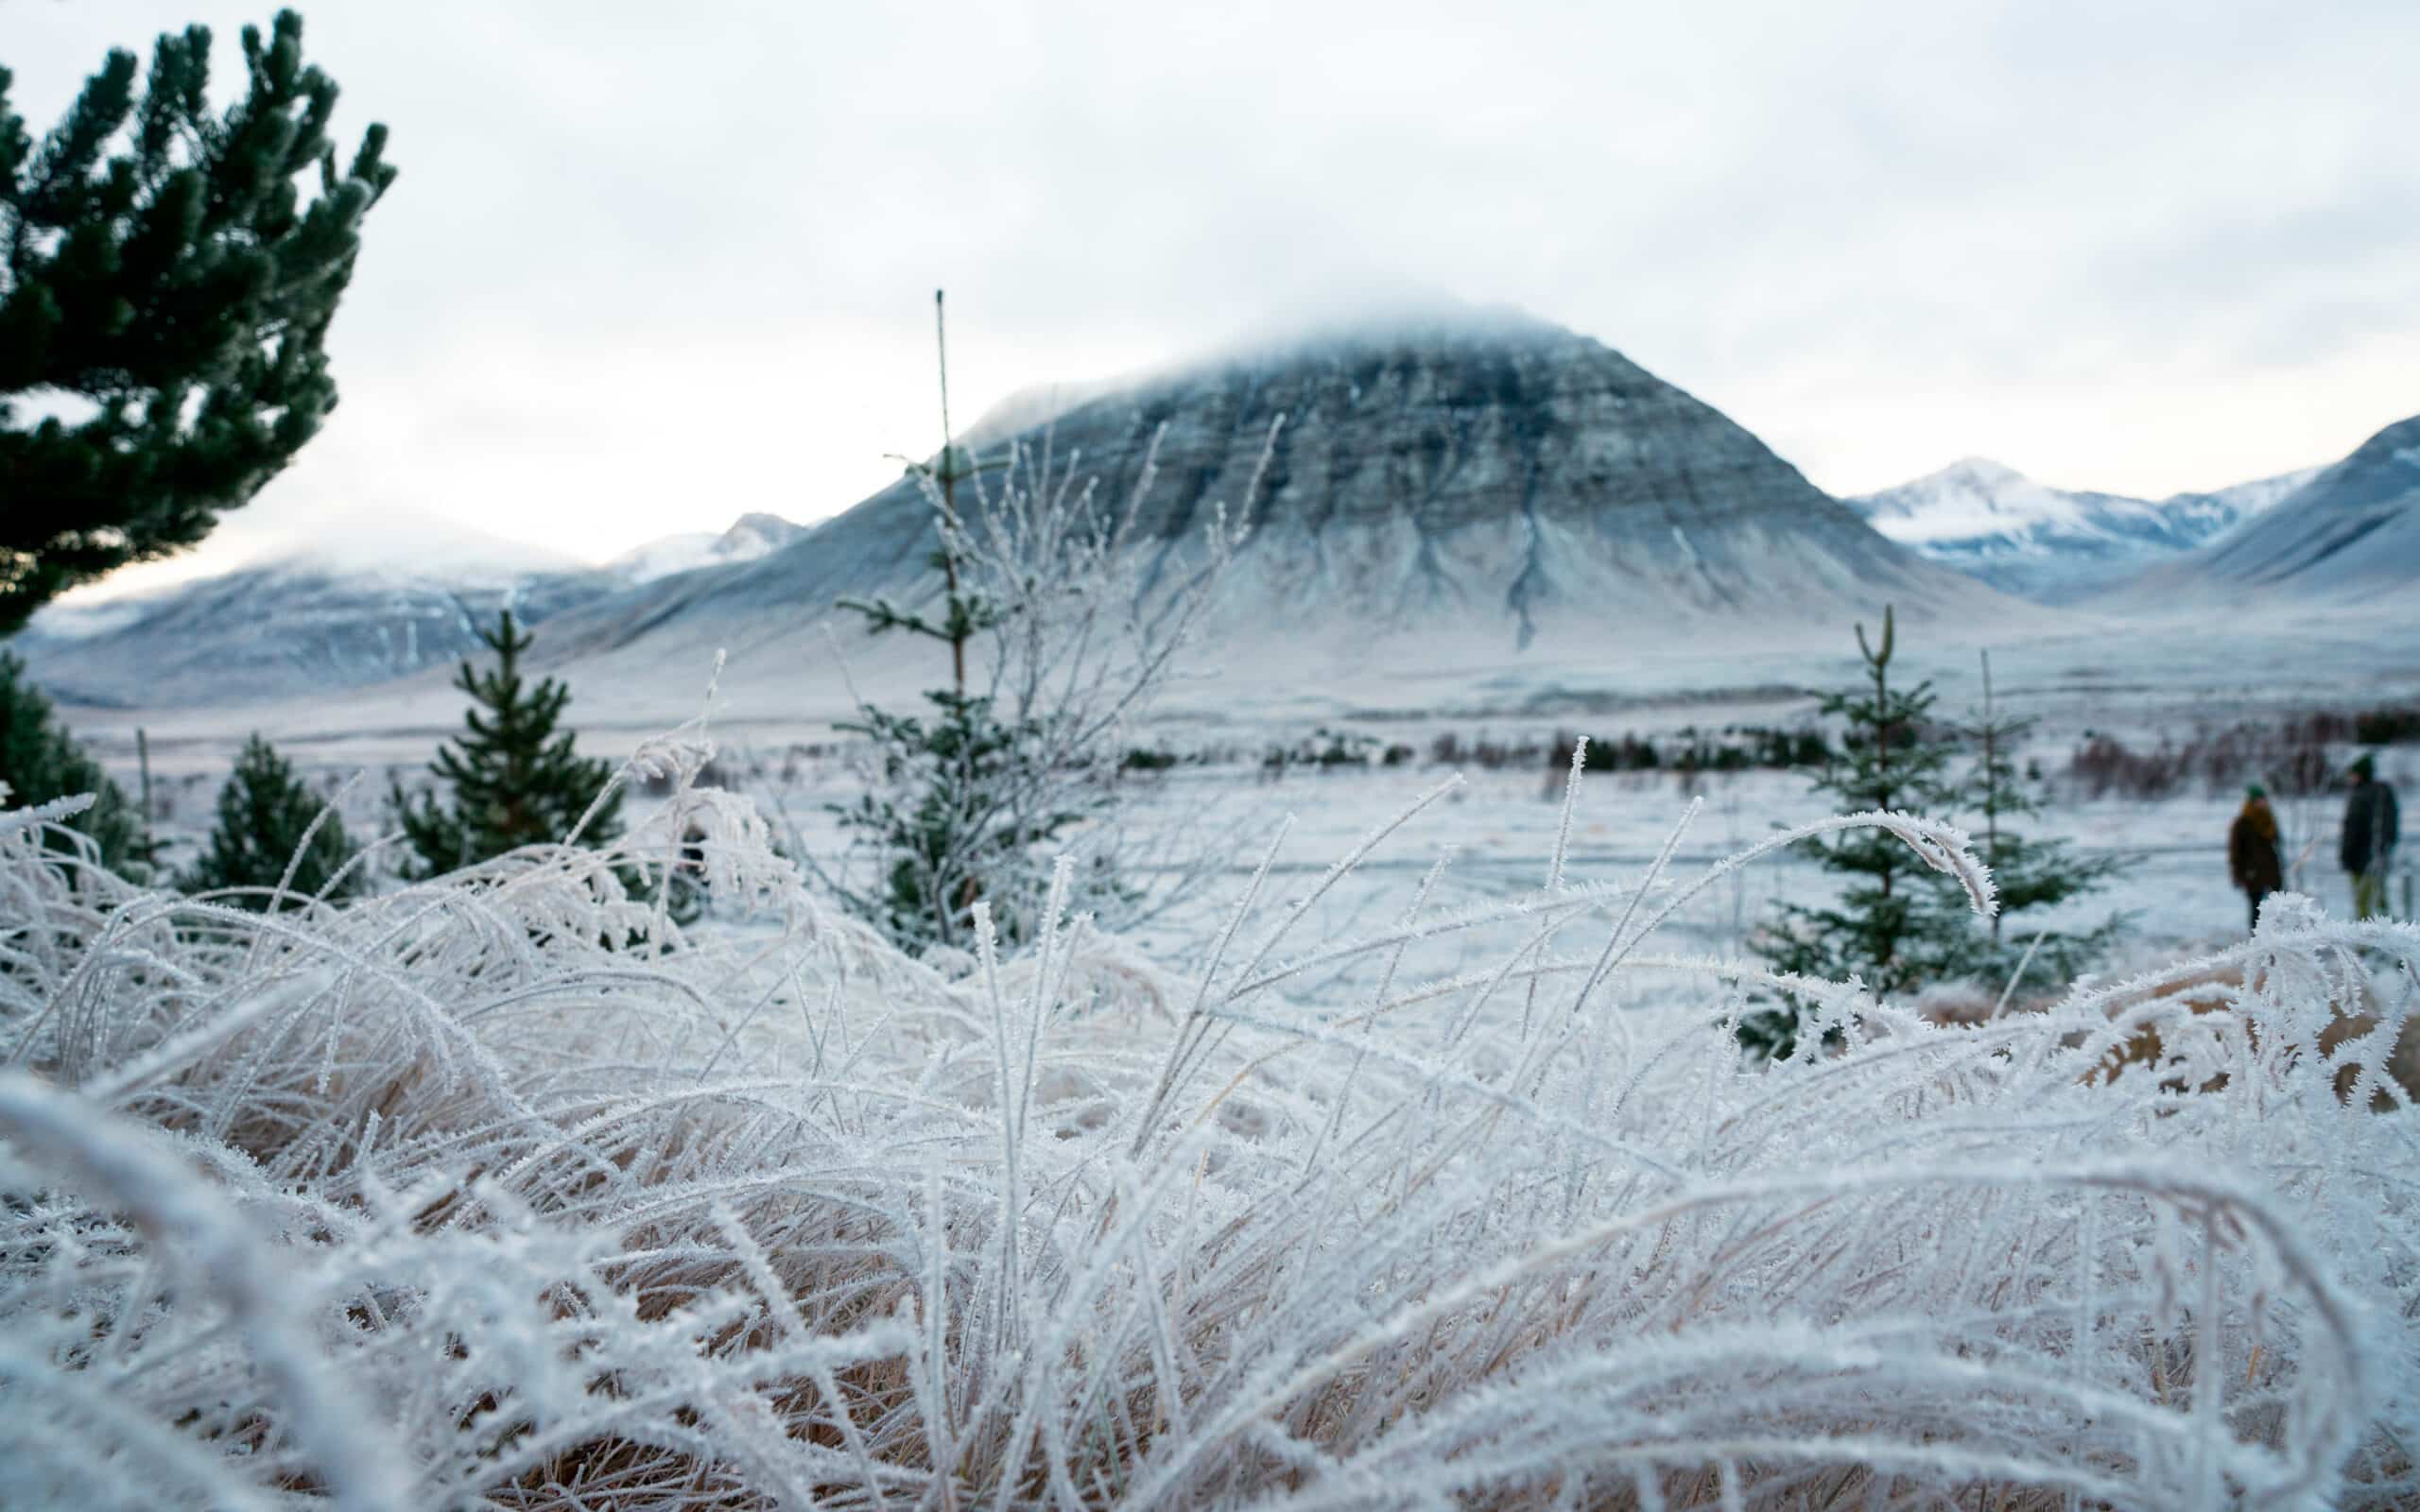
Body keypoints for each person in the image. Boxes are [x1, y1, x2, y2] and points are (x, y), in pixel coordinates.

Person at [2341, 753, 2400, 920]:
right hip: (2379, 855)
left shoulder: (2360, 796)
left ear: (2360, 774)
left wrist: (2346, 855)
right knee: (2380, 897)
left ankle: (2365, 942)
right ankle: (2388, 935)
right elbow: (2391, 826)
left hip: (2360, 858)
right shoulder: (2383, 793)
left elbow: (2353, 829)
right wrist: (2385, 848)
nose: (2350, 778)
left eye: (2353, 774)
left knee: (2363, 900)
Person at [2229, 782, 2284, 933]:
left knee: (2276, 909)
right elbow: (2235, 852)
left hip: (2271, 871)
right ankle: (2257, 941)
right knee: (2256, 910)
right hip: (2252, 874)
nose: (2263, 803)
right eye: (2259, 800)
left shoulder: (2269, 819)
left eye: (2264, 800)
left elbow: (2277, 842)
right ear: (2252, 801)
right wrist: (2238, 875)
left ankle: (2277, 941)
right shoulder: (2242, 823)